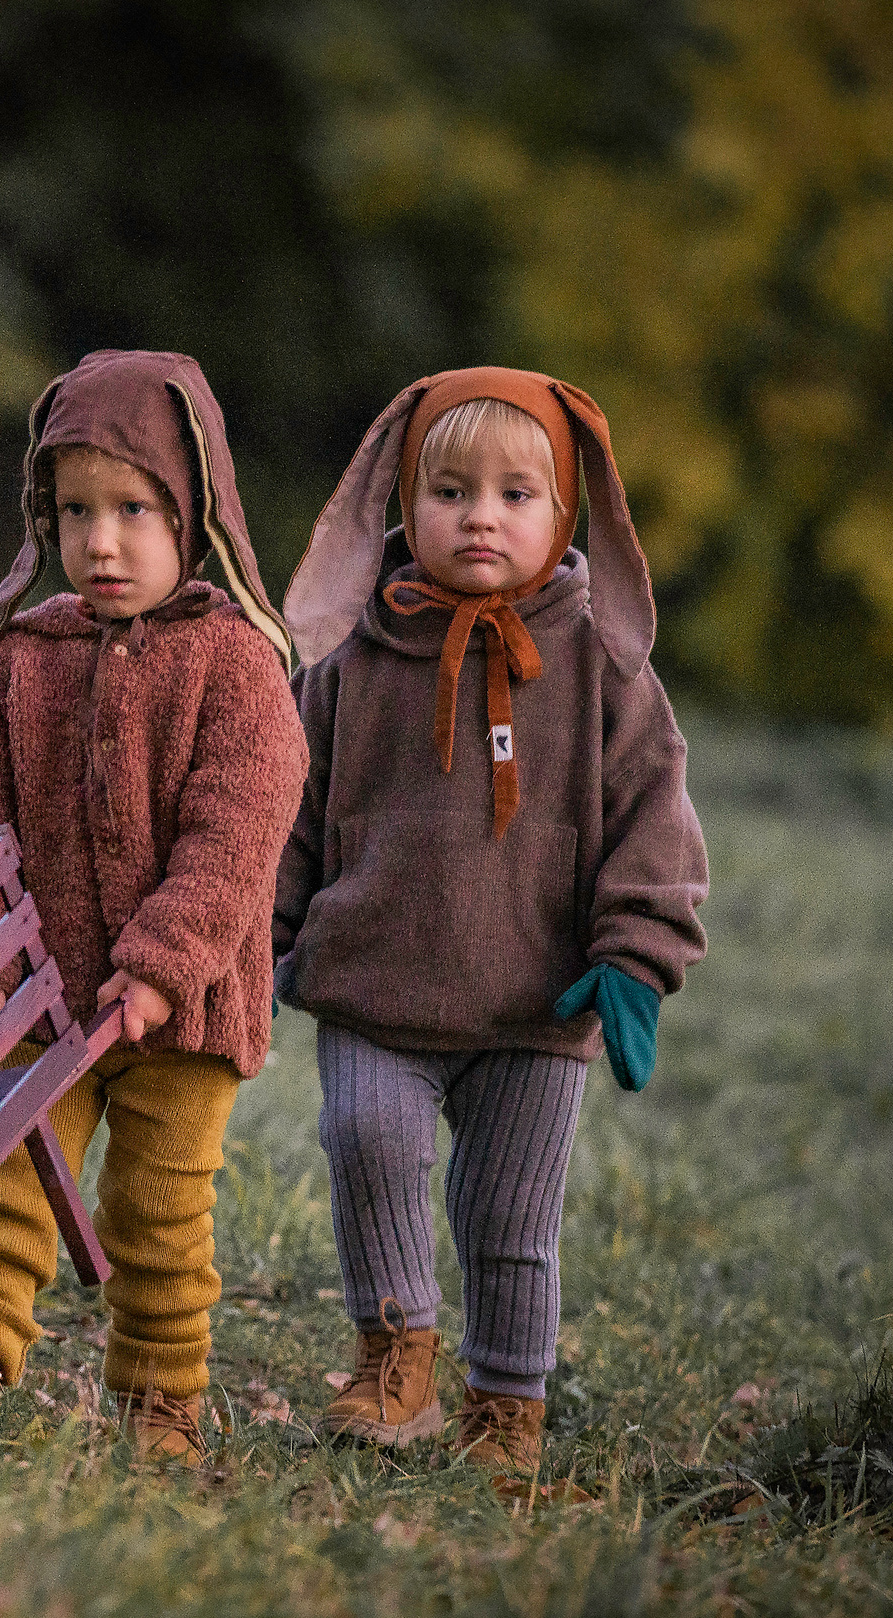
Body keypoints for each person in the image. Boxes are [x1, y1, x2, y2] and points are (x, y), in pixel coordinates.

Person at [271, 368, 708, 1474]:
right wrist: (257, 933)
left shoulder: (600, 664)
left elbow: (652, 816)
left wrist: (635, 957)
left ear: (565, 515)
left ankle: (505, 1404)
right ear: (400, 505)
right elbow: (283, 808)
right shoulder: (353, 656)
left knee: (510, 1220)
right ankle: (394, 1352)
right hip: (375, 986)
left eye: (517, 495)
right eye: (450, 490)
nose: (480, 516)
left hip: (534, 1004)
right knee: (364, 1144)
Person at [0, 350, 307, 1465]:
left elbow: (237, 837)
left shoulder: (237, 667)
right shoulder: (24, 662)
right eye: (74, 510)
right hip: (40, 1001)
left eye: (132, 508)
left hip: (182, 1015)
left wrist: (163, 965)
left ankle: (159, 1398)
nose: (102, 540)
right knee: (1, 1178)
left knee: (156, 1215)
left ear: (194, 511)